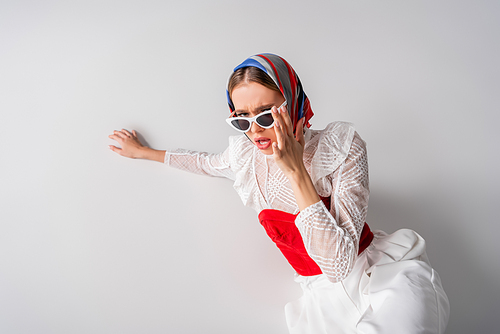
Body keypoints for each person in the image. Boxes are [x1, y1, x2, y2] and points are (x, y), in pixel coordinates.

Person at [108, 53, 450, 334]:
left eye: (267, 114)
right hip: (321, 304)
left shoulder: (342, 148)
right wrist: (143, 153)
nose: (255, 130)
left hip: (380, 278)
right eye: (242, 119)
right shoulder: (245, 159)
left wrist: (296, 169)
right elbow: (205, 163)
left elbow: (341, 266)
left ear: (294, 102)